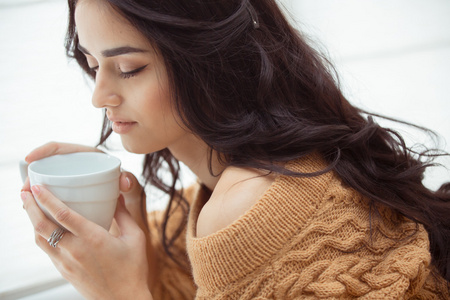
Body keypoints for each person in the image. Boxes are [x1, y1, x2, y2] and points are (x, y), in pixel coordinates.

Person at [20, 0, 450, 298]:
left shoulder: (247, 203)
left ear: (207, 59)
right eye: (93, 65)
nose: (99, 96)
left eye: (129, 69)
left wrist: (120, 294)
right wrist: (138, 245)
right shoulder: (230, 181)